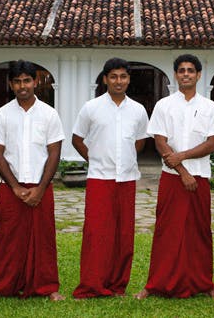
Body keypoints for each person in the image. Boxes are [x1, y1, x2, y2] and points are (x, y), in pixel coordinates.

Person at [135, 54, 214, 300]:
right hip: (172, 178)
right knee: (166, 230)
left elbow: (213, 143)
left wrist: (182, 156)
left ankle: (205, 282)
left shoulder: (209, 107)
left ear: (198, 75)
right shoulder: (164, 105)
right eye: (182, 70)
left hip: (200, 177)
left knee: (200, 231)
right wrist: (182, 171)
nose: (186, 74)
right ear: (175, 74)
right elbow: (160, 141)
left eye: (191, 70)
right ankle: (155, 283)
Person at [0, 60, 65, 302]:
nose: (22, 86)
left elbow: (54, 152)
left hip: (41, 186)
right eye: (17, 81)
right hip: (11, 188)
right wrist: (14, 186)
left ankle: (48, 287)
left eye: (27, 80)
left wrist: (41, 188)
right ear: (11, 84)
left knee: (44, 238)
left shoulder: (49, 114)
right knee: (7, 238)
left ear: (35, 82)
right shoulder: (2, 114)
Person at [71, 58, 149, 299]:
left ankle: (117, 285)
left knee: (123, 235)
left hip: (126, 179)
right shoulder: (91, 107)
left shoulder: (138, 109)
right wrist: (94, 158)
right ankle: (92, 284)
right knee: (97, 233)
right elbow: (77, 138)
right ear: (105, 79)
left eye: (123, 76)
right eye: (113, 76)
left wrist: (123, 160)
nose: (118, 81)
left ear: (128, 79)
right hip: (99, 178)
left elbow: (139, 141)